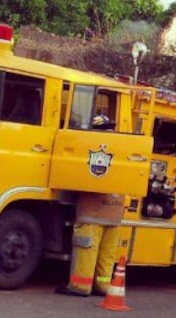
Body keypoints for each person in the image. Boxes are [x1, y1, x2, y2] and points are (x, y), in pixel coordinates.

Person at [57, 115, 124, 297]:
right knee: (106, 255)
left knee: (87, 250)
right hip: (115, 214)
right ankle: (103, 286)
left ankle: (80, 286)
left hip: (92, 214)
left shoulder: (91, 150)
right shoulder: (122, 152)